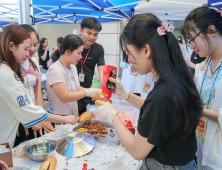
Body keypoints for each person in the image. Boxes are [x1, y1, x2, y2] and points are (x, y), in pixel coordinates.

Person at [97, 13, 202, 169]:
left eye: (129, 53)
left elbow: (137, 150)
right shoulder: (176, 79)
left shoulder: (163, 94)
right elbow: (157, 110)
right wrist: (124, 94)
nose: (129, 60)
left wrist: (112, 117)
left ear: (146, 50)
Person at [0, 24, 78, 148]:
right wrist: (64, 119)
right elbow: (27, 108)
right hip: (11, 129)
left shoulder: (8, 69)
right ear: (11, 46)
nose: (28, 52)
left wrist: (42, 116)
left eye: (33, 45)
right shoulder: (7, 74)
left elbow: (36, 95)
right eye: (26, 48)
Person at [180, 6, 222, 170]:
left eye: (192, 39)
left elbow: (198, 106)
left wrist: (198, 110)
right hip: (198, 148)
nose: (191, 46)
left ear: (211, 30)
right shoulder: (202, 67)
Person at [13, 25, 55, 147]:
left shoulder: (34, 61)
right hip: (19, 118)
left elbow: (38, 91)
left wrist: (40, 116)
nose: (31, 49)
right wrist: (31, 118)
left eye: (35, 45)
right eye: (28, 45)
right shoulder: (13, 63)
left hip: (33, 114)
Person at [46, 34, 101, 120]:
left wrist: (93, 92)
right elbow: (65, 97)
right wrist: (87, 93)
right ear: (67, 52)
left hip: (72, 116)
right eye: (78, 53)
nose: (80, 57)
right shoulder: (55, 70)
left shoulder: (73, 67)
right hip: (58, 119)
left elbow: (76, 87)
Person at [76, 17, 105, 115]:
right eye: (89, 33)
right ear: (81, 30)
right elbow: (53, 63)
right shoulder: (72, 44)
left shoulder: (98, 48)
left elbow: (101, 70)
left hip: (89, 92)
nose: (92, 37)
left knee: (87, 120)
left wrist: (104, 88)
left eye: (95, 34)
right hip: (72, 92)